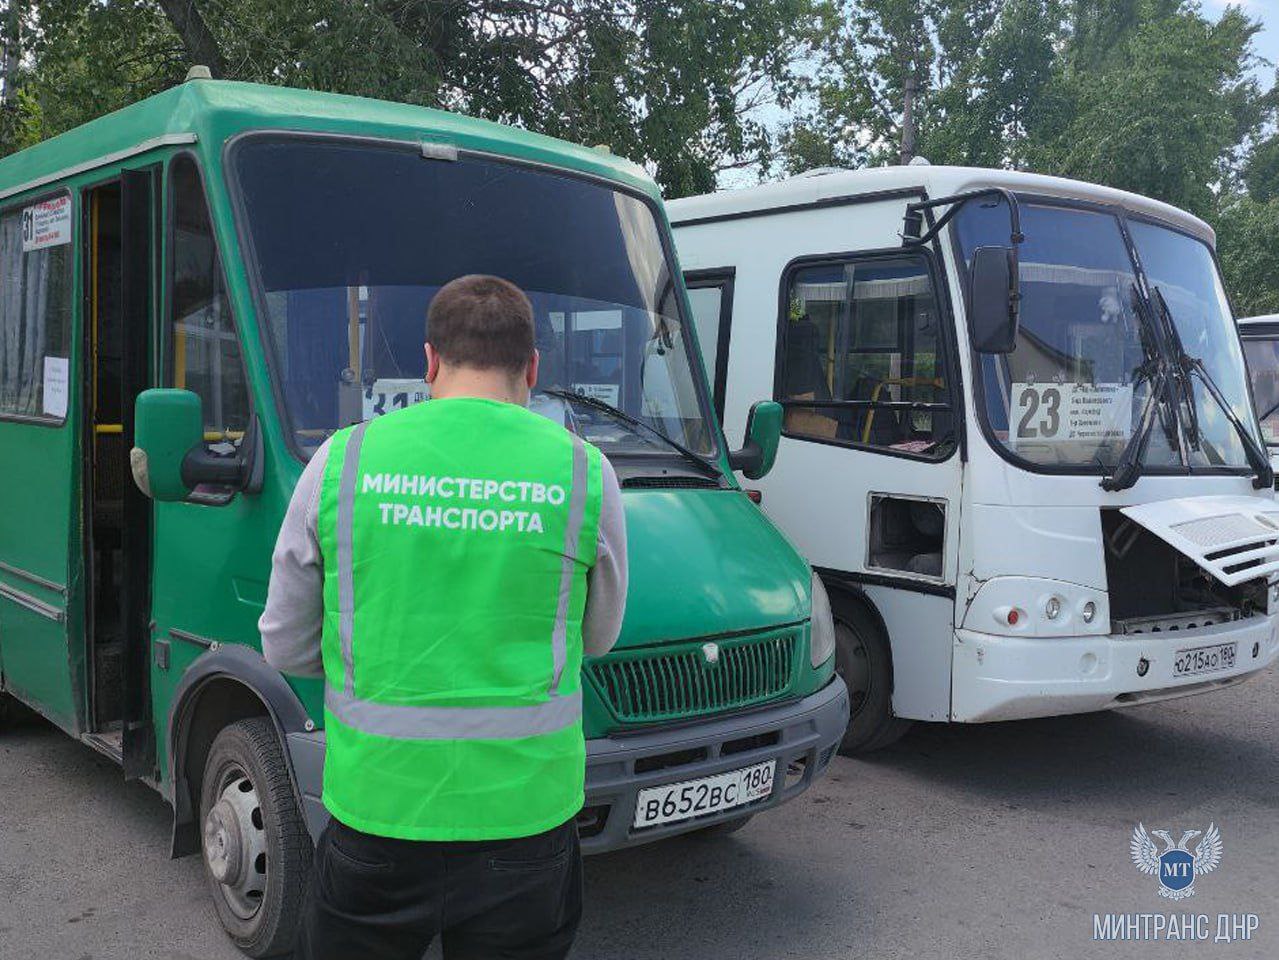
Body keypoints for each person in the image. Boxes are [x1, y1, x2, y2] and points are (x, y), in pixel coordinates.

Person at [259, 274, 628, 960]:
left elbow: (282, 644)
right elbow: (596, 637)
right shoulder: (583, 471)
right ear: (533, 368)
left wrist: (360, 662)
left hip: (379, 810)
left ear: (429, 361)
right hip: (526, 817)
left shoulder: (343, 460)